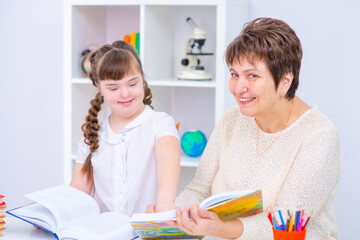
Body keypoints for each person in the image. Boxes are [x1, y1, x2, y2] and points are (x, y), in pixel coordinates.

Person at [169, 17, 340, 239]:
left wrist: (225, 229)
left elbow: (288, 224)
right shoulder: (232, 120)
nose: (239, 88)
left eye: (252, 76)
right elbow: (199, 189)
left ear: (285, 82)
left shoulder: (318, 135)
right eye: (234, 74)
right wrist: (171, 214)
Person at [70, 40, 181, 216]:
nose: (125, 94)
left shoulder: (160, 123)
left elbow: (168, 157)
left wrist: (165, 204)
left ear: (142, 79)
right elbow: (76, 198)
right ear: (99, 88)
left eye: (132, 84)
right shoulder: (93, 136)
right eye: (113, 88)